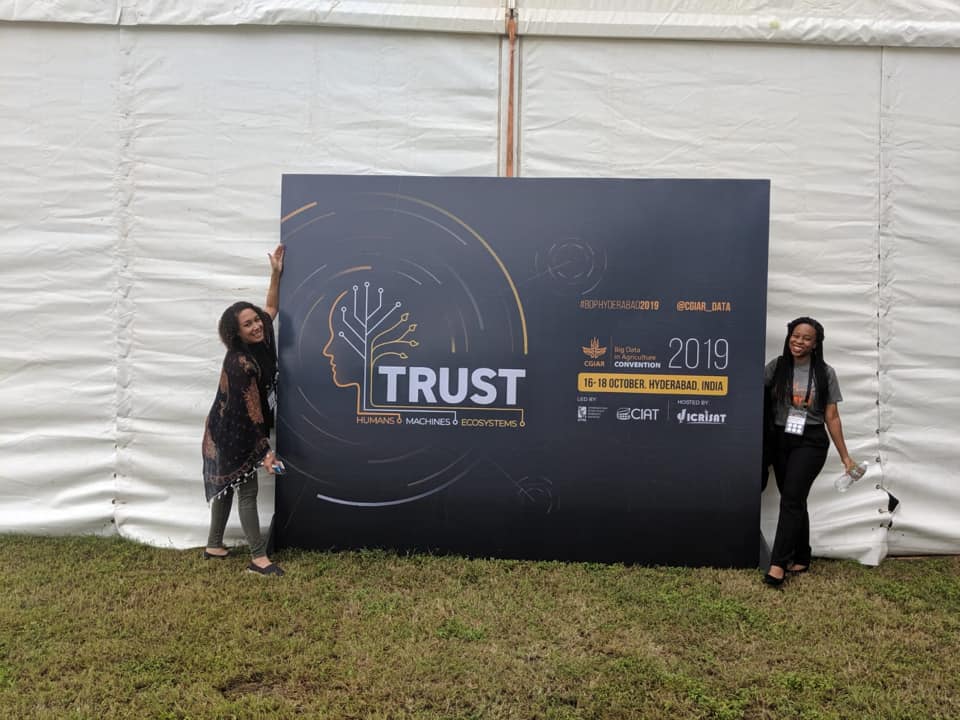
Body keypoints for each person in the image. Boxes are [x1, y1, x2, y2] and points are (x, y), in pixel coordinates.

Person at [201, 245, 286, 576]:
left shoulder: (261, 338)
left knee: (225, 484)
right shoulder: (240, 363)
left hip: (227, 424)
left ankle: (213, 545)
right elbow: (252, 410)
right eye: (248, 325)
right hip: (231, 429)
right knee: (245, 489)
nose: (256, 326)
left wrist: (275, 273)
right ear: (236, 334)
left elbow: (271, 307)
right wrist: (265, 451)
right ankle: (258, 558)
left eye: (255, 321)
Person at [762, 316, 856, 587]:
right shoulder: (776, 367)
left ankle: (778, 563)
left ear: (816, 344)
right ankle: (802, 555)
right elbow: (754, 396)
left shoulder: (825, 373)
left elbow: (833, 417)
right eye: (795, 335)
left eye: (806, 338)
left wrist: (845, 457)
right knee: (795, 497)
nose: (799, 342)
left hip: (811, 441)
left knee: (791, 498)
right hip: (780, 439)